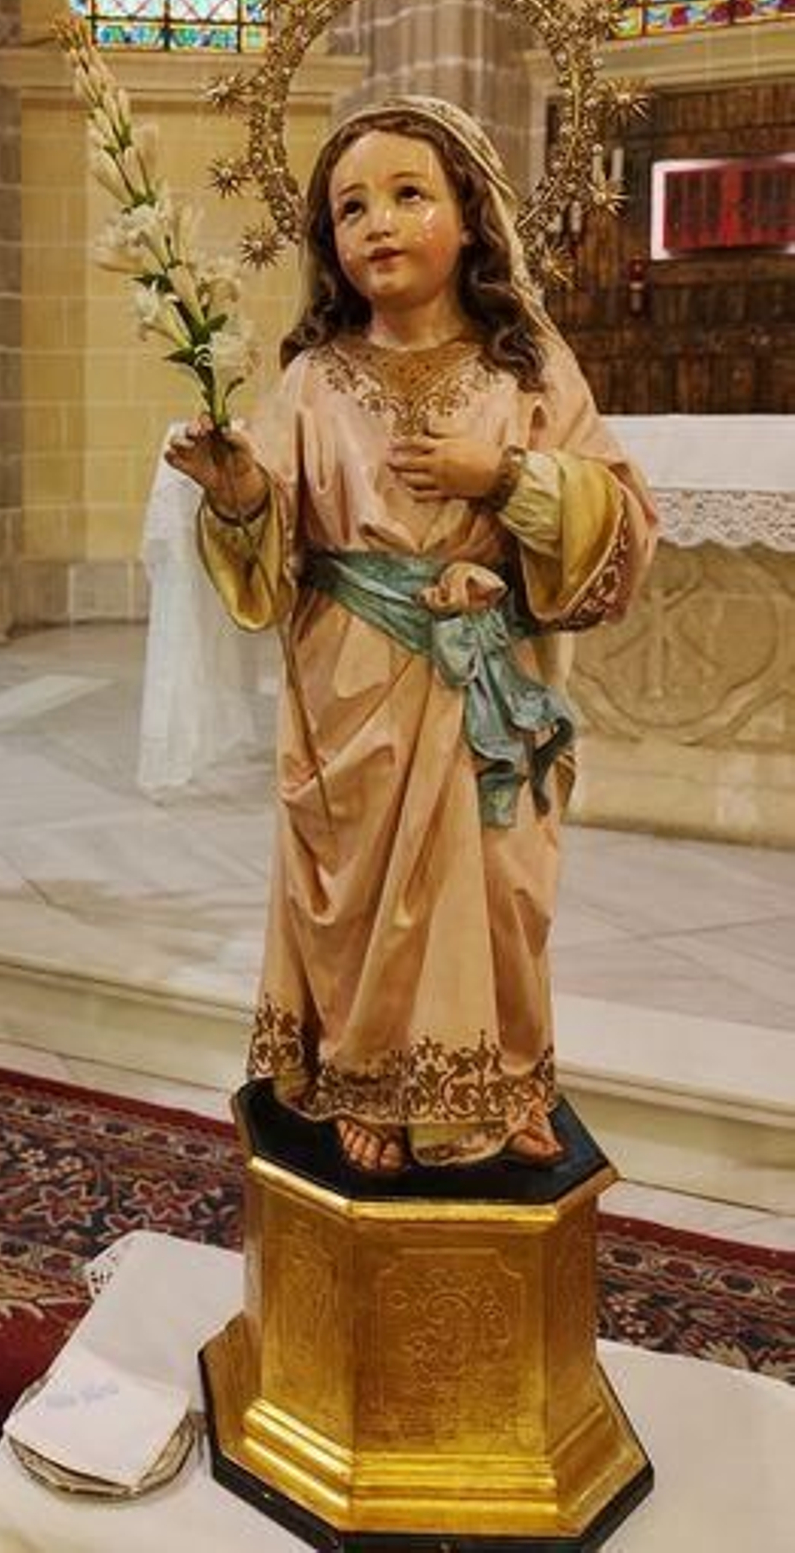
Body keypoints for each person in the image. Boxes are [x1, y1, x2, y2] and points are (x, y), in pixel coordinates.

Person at [167, 96, 656, 1176]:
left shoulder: (527, 371)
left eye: (406, 194)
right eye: (350, 207)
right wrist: (239, 490)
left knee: (498, 889)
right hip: (352, 677)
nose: (377, 222)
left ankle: (504, 1069)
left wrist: (510, 479)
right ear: (327, 242)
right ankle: (366, 1077)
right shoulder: (310, 378)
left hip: (487, 677)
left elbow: (621, 518)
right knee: (357, 896)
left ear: (470, 216)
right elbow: (274, 550)